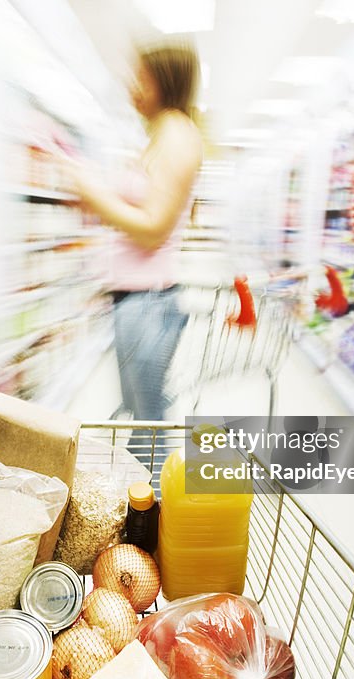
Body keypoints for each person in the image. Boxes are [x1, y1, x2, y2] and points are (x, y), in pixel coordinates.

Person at [61, 42, 203, 438]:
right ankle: (148, 497)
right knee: (141, 416)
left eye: (141, 78)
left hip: (148, 305)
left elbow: (153, 230)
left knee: (149, 424)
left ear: (164, 81)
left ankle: (154, 498)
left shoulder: (176, 133)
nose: (131, 87)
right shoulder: (162, 136)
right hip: (137, 302)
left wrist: (94, 195)